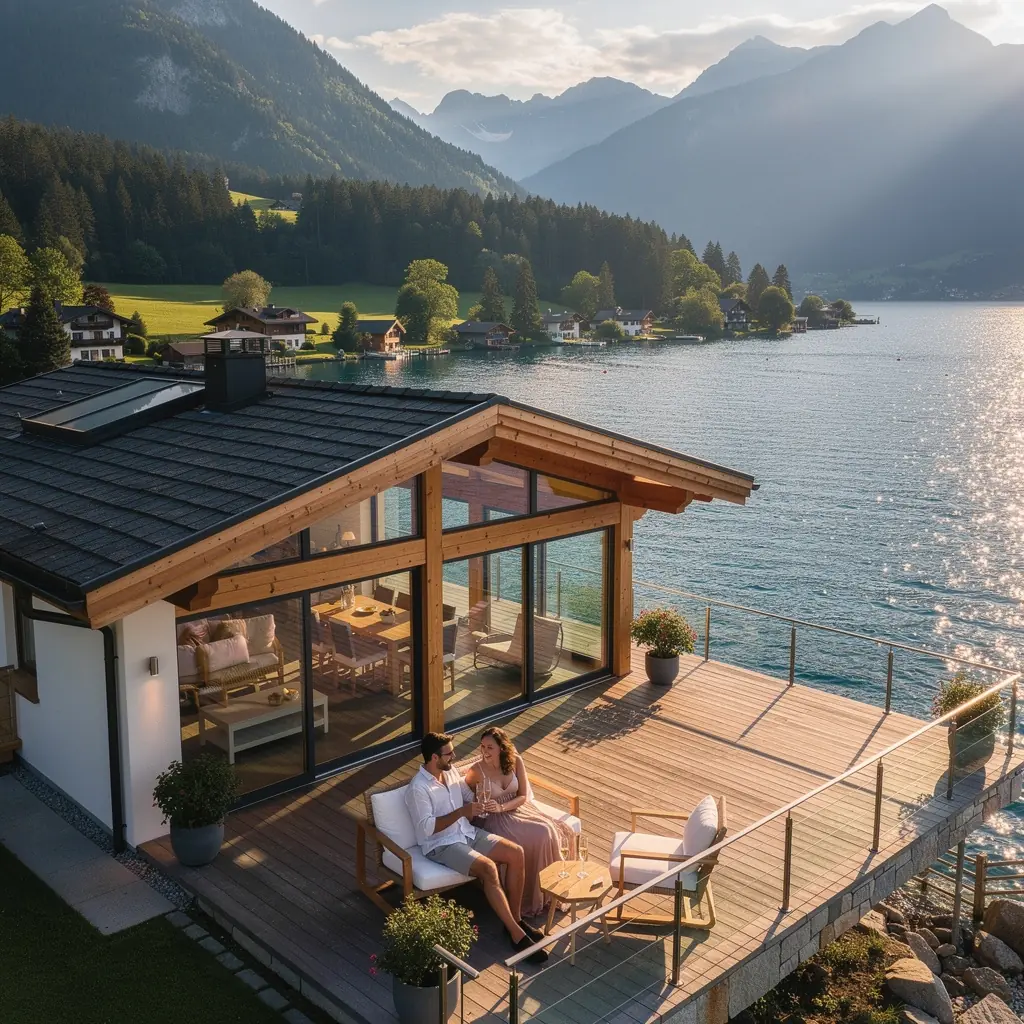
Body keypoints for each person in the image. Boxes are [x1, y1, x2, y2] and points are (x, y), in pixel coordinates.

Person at [405, 732, 548, 963]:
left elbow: (466, 794)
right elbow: (425, 829)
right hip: (442, 844)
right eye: (449, 753)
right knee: (489, 868)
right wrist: (463, 811)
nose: (454, 756)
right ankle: (516, 934)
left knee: (516, 853)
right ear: (433, 757)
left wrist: (485, 793)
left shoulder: (449, 772)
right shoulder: (418, 789)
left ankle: (515, 919)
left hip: (466, 833)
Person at [464, 726, 577, 917]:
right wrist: (483, 807)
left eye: (490, 747)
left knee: (548, 829)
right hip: (494, 820)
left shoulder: (516, 761)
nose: (484, 752)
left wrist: (503, 806)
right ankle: (527, 898)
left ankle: (549, 893)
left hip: (517, 809)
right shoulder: (476, 770)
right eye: (482, 747)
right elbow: (468, 799)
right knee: (539, 835)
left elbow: (523, 795)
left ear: (502, 747)